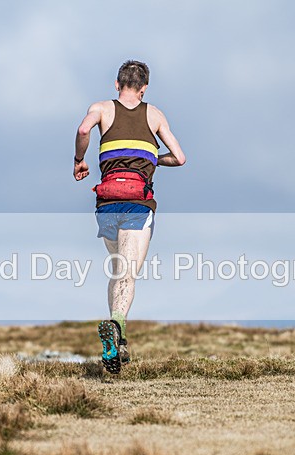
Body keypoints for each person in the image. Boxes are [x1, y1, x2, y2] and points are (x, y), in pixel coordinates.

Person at [73, 60, 186, 374]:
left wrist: (79, 160)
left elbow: (83, 129)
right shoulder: (155, 114)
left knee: (117, 270)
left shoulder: (101, 108)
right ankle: (117, 325)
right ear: (144, 88)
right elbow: (180, 157)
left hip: (106, 204)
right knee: (127, 273)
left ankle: (117, 340)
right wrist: (153, 159)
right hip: (137, 202)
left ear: (117, 84)